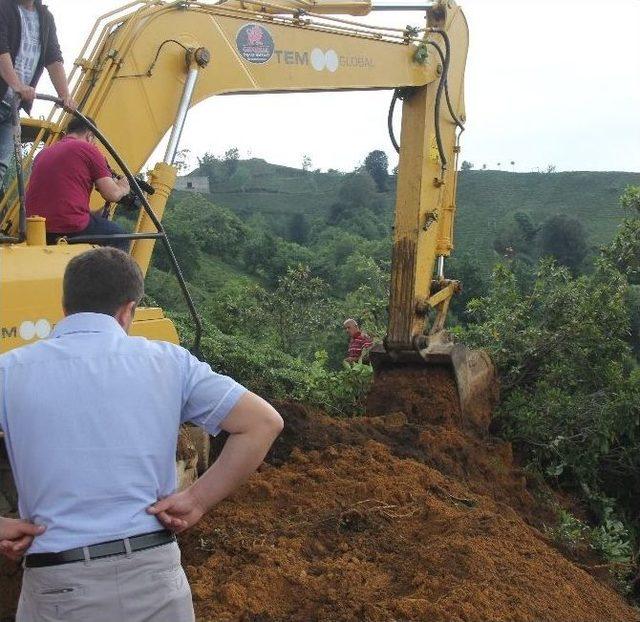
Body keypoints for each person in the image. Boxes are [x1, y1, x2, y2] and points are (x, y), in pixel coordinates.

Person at [0, 247, 284, 622]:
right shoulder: (170, 362)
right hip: (155, 577)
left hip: (60, 585)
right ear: (128, 310)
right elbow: (263, 423)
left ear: (66, 306)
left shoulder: (10, 370)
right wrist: (197, 499)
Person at [26, 115, 131, 250]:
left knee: (94, 220)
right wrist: (123, 187)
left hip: (35, 228)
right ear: (90, 136)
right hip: (68, 226)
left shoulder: (43, 153)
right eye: (94, 141)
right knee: (120, 237)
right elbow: (112, 194)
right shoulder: (88, 149)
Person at [0, 0, 76, 185]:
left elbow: (54, 59)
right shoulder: (3, 7)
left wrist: (65, 95)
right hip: (7, 95)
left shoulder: (45, 18)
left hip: (12, 108)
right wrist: (17, 84)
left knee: (1, 167)